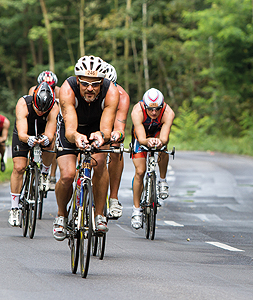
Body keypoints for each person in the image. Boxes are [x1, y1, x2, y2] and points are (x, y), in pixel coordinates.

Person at [53, 55, 119, 240]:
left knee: (98, 163)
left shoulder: (111, 91)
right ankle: (61, 215)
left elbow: (106, 129)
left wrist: (101, 135)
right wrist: (76, 137)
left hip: (97, 127)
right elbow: (70, 131)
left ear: (102, 82)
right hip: (72, 127)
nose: (90, 88)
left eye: (96, 84)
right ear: (78, 81)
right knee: (67, 175)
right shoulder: (67, 89)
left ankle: (99, 215)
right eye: (85, 83)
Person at [8, 82, 59, 227]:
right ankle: (14, 208)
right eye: (38, 109)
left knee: (51, 142)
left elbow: (50, 132)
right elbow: (23, 133)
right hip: (24, 131)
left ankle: (44, 172)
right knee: (19, 167)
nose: (41, 113)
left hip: (42, 131)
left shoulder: (54, 107)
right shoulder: (24, 103)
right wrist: (28, 139)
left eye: (44, 111)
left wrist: (45, 139)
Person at [130, 88, 175, 229]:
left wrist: (159, 142)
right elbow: (142, 138)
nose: (154, 113)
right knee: (140, 172)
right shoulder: (137, 111)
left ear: (162, 106)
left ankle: (162, 181)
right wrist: (146, 141)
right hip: (141, 136)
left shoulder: (168, 112)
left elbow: (165, 138)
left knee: (163, 150)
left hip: (157, 135)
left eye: (157, 109)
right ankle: (136, 210)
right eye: (150, 110)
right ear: (145, 105)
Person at [103, 63, 130, 219]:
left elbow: (120, 127)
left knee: (116, 149)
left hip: (112, 125)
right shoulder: (91, 92)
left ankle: (113, 198)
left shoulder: (122, 96)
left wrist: (116, 135)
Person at [28, 70, 60, 191]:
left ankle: (51, 176)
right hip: (38, 118)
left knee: (54, 144)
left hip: (53, 117)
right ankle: (29, 170)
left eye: (51, 86)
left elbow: (62, 110)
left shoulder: (59, 91)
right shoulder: (33, 90)